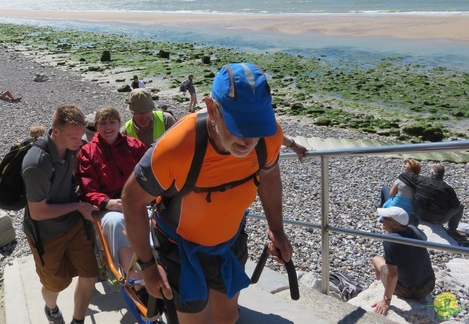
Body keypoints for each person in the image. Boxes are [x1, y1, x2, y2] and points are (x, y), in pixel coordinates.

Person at [121, 62, 307, 324]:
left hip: (230, 243)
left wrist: (276, 229)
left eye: (256, 126)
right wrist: (149, 266)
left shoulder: (269, 136)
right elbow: (131, 199)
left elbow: (269, 175)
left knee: (228, 317)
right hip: (179, 249)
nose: (249, 140)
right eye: (239, 126)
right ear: (211, 109)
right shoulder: (177, 147)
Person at [22, 104, 99, 324]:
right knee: (55, 284)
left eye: (81, 135)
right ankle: (51, 308)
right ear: (55, 132)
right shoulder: (37, 164)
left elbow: (77, 168)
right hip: (46, 233)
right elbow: (38, 212)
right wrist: (78, 207)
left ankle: (78, 320)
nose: (79, 141)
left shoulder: (71, 146)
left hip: (73, 225)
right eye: (74, 137)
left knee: (89, 274)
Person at [77, 106, 147, 274]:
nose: (108, 127)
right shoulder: (87, 152)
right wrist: (108, 202)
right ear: (96, 126)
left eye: (112, 122)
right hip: (107, 206)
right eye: (103, 123)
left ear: (119, 123)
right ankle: (132, 276)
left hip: (136, 201)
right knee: (116, 222)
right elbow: (87, 188)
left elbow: (149, 174)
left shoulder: (135, 145)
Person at [371, 207, 435, 316]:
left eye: (385, 218)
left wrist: (386, 301)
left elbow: (393, 275)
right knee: (388, 260)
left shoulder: (390, 240)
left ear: (395, 225)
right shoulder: (413, 229)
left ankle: (379, 282)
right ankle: (381, 279)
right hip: (429, 286)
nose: (381, 220)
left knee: (375, 259)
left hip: (410, 292)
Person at [412, 164, 465, 236]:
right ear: (442, 175)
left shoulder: (422, 180)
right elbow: (456, 205)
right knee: (460, 207)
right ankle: (452, 231)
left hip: (418, 213)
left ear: (432, 172)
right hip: (437, 219)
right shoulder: (447, 188)